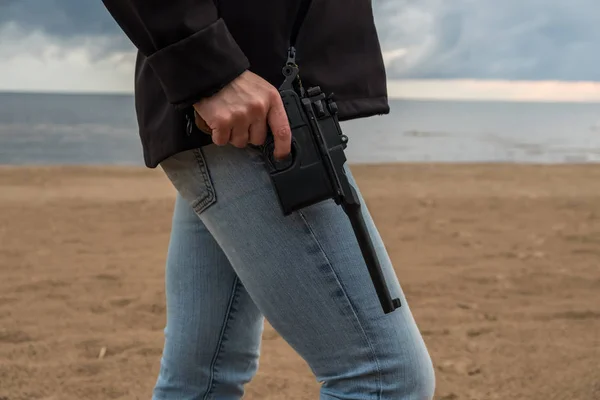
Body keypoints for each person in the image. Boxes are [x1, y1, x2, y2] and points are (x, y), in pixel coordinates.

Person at [101, 1, 435, 399]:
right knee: (384, 379)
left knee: (202, 381)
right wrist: (212, 71)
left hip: (252, 101)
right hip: (249, 114)